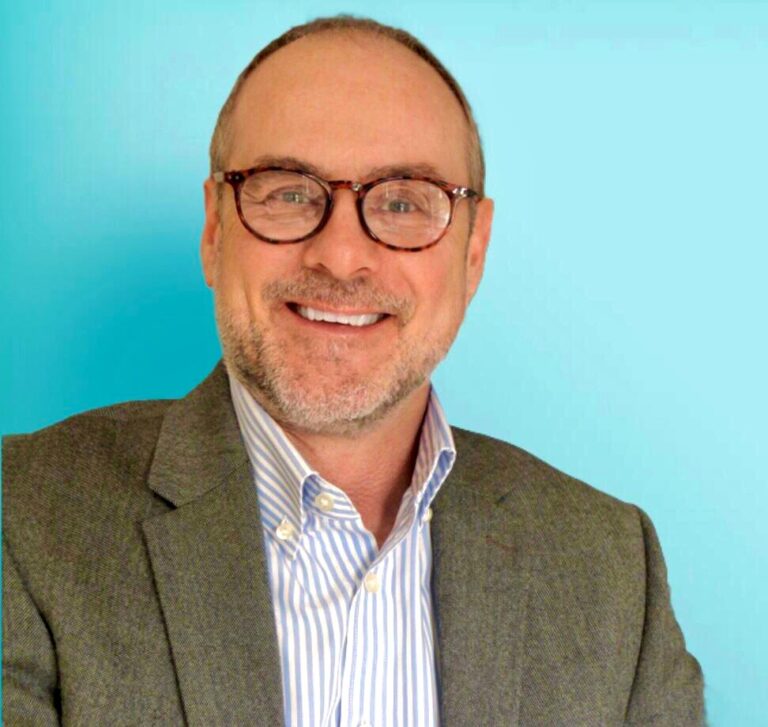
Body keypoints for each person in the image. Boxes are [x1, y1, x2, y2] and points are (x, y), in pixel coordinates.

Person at [2, 15, 704, 727]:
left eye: (403, 202)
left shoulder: (613, 570)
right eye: (287, 191)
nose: (340, 256)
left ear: (473, 251)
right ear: (214, 229)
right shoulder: (22, 519)